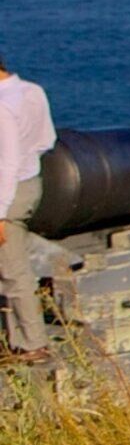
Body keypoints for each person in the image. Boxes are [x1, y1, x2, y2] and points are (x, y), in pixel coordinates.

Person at [0, 57, 50, 358]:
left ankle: (32, 342)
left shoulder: (1, 107)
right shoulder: (33, 92)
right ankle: (16, 340)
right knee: (8, 266)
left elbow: (6, 164)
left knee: (13, 271)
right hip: (31, 183)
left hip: (8, 191)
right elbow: (46, 140)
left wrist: (0, 212)